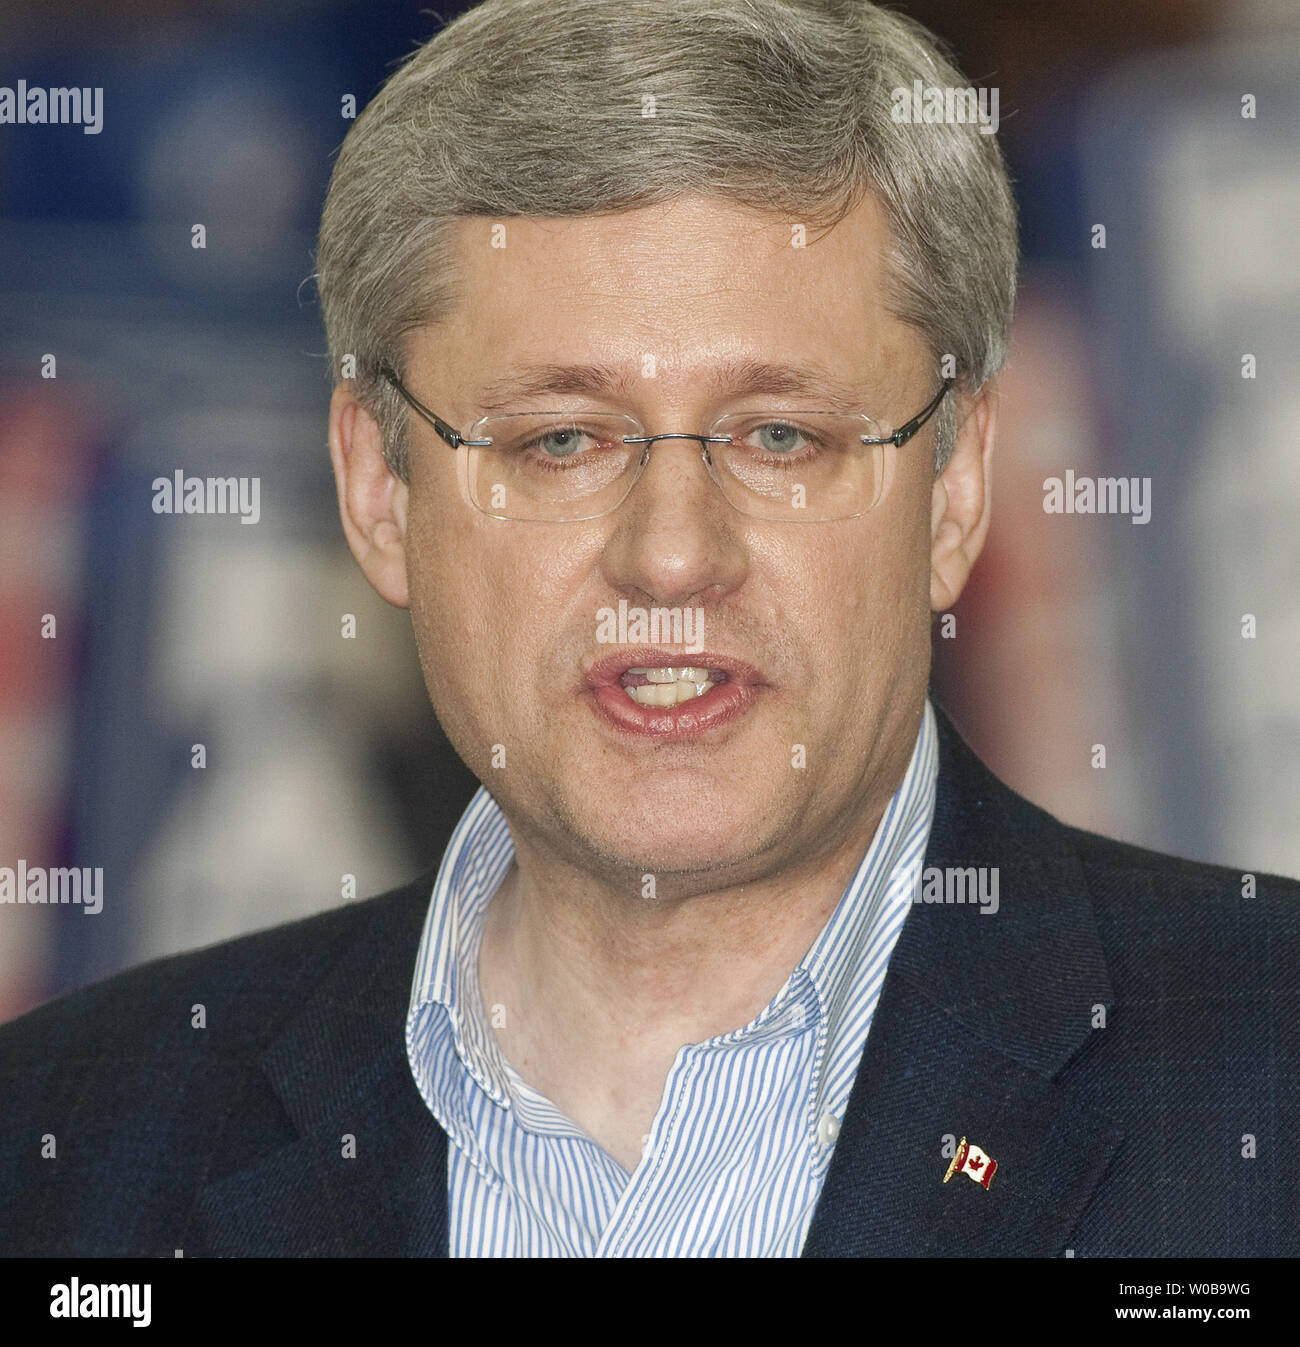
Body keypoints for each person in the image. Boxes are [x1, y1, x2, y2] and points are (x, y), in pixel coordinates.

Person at [1, 0, 1295, 1258]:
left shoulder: (1268, 1086)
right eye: (560, 440)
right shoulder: (65, 1144)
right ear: (380, 491)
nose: (673, 551)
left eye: (780, 435)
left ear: (956, 490)